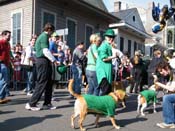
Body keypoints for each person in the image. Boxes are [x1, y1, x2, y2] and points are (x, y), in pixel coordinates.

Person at [25, 23, 59, 111]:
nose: (52, 33)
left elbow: (37, 50)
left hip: (43, 61)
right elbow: (45, 51)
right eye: (52, 31)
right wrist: (54, 60)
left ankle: (47, 103)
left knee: (49, 83)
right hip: (43, 61)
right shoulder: (44, 36)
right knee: (42, 82)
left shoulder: (43, 37)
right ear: (49, 30)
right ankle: (31, 103)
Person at [96, 29, 117, 96]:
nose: (111, 39)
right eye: (109, 37)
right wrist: (113, 56)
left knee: (108, 92)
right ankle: (99, 105)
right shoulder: (104, 46)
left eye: (112, 37)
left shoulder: (108, 46)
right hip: (103, 74)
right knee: (105, 91)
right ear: (105, 37)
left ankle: (106, 105)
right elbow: (104, 58)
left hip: (107, 73)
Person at [154, 62, 175, 129]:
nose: (161, 73)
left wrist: (158, 83)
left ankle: (169, 122)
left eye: (161, 71)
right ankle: (170, 120)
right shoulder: (171, 75)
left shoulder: (174, 74)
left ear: (166, 68)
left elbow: (172, 89)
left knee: (167, 98)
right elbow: (168, 87)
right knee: (167, 96)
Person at [0, 30, 12, 103]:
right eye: (8, 36)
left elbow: (8, 54)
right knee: (4, 80)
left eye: (10, 36)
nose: (10, 37)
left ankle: (2, 97)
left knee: (3, 80)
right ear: (4, 35)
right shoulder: (1, 42)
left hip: (6, 63)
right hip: (2, 63)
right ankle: (1, 97)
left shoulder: (7, 43)